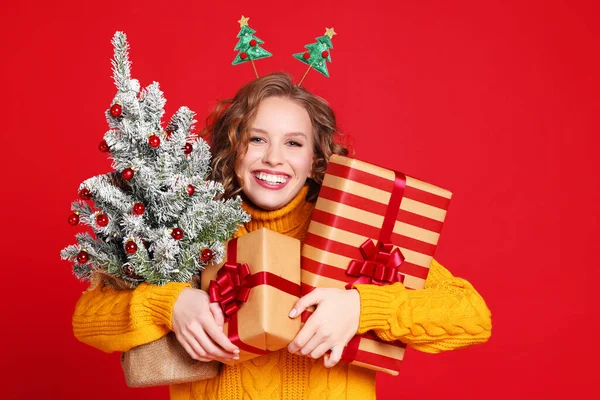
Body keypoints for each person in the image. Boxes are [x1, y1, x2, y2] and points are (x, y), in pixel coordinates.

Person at [72, 72, 492, 400]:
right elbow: (86, 320)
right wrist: (170, 303)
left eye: (294, 143)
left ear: (315, 159)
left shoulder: (348, 231)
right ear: (232, 149)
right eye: (257, 139)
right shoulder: (186, 225)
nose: (274, 157)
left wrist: (362, 307)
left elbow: (472, 317)